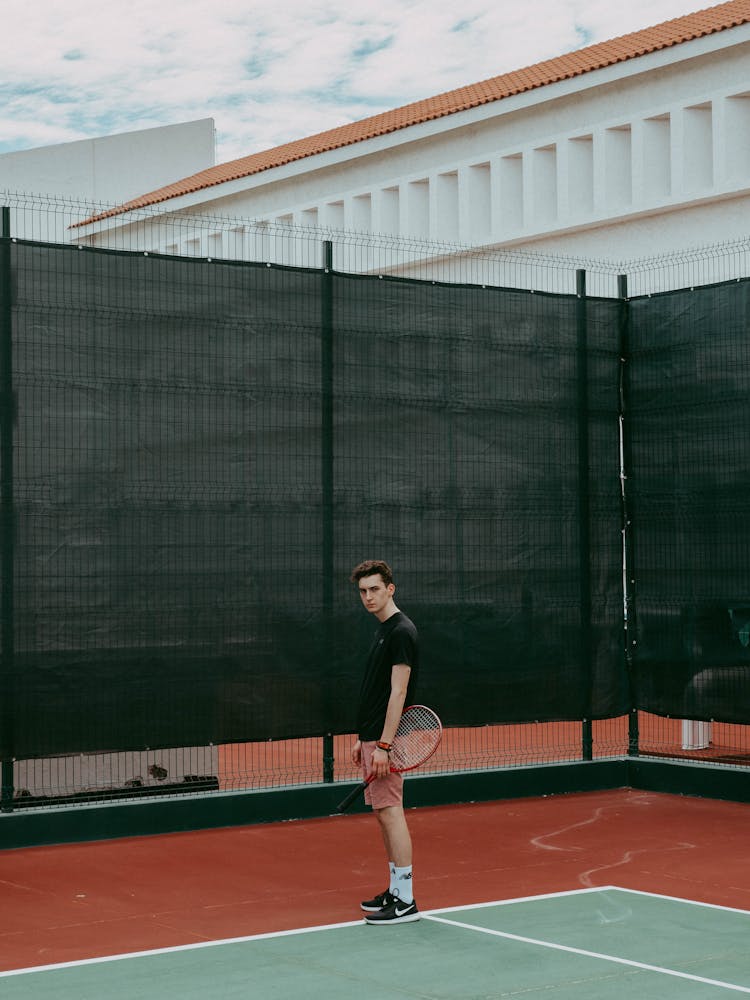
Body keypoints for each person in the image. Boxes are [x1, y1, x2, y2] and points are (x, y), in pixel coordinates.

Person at [349, 559, 420, 925]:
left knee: (392, 813)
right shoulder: (382, 630)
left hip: (386, 741)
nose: (368, 597)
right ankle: (395, 889)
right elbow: (373, 692)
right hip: (373, 738)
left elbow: (398, 692)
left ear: (390, 588)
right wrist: (361, 739)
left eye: (374, 589)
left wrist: (385, 745)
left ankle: (406, 900)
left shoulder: (401, 632)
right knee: (382, 814)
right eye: (363, 591)